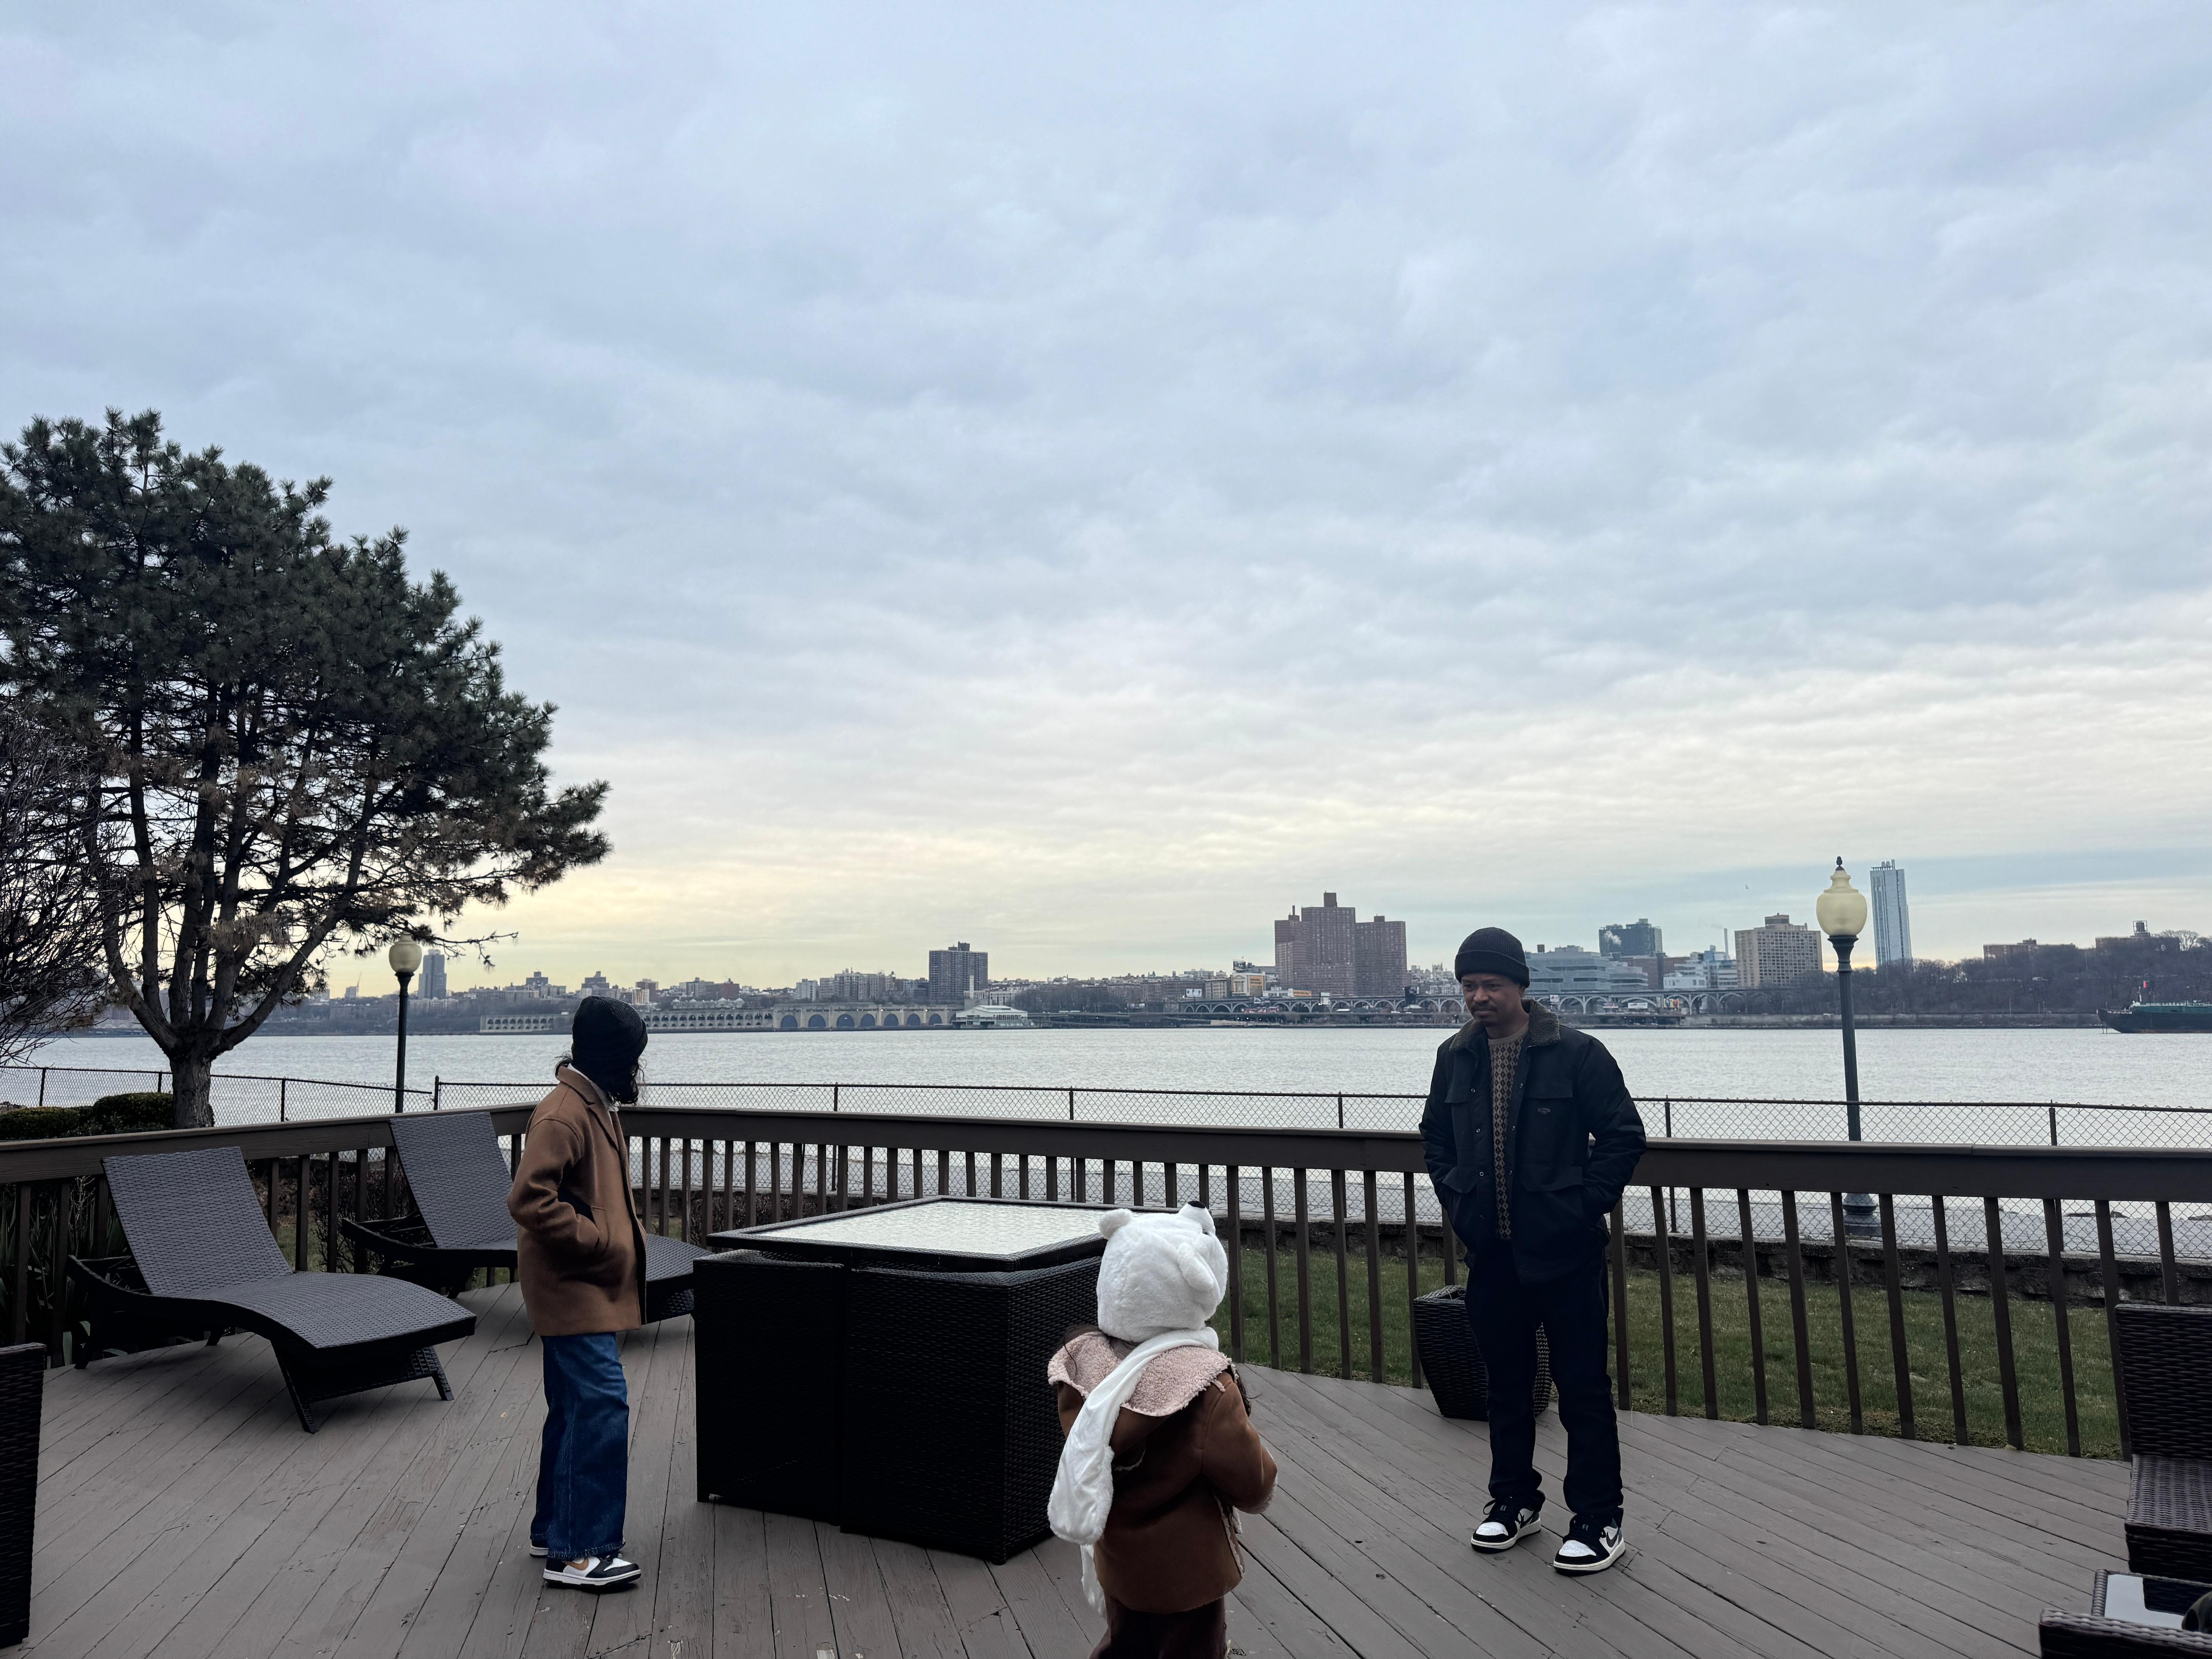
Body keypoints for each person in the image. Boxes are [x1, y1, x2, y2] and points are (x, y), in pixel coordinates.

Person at [1420, 926, 1646, 1575]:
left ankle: (1598, 1519)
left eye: (1491, 984)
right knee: (1506, 1389)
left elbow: (1623, 1136)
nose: (1478, 997)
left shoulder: (1577, 1053)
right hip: (1492, 1256)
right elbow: (1435, 1137)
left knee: (1582, 1390)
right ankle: (1513, 1500)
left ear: (1521, 985)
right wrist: (1459, 1200)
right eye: (1469, 985)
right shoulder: (1454, 1056)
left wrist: (1580, 1206)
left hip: (1566, 1255)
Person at [1047, 1204, 1277, 1659]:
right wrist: (1262, 1482)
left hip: (1118, 1560)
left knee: (1127, 1643)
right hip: (1188, 1572)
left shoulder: (1085, 1368)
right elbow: (1251, 1480)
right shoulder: (1204, 1387)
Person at [508, 995, 653, 1591]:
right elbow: (529, 1199)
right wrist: (597, 1240)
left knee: (573, 1409)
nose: (638, 1069)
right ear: (613, 1058)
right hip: (572, 1286)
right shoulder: (565, 1114)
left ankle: (554, 1530)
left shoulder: (593, 1103)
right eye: (633, 1057)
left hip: (585, 1284)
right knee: (602, 1405)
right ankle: (578, 1554)